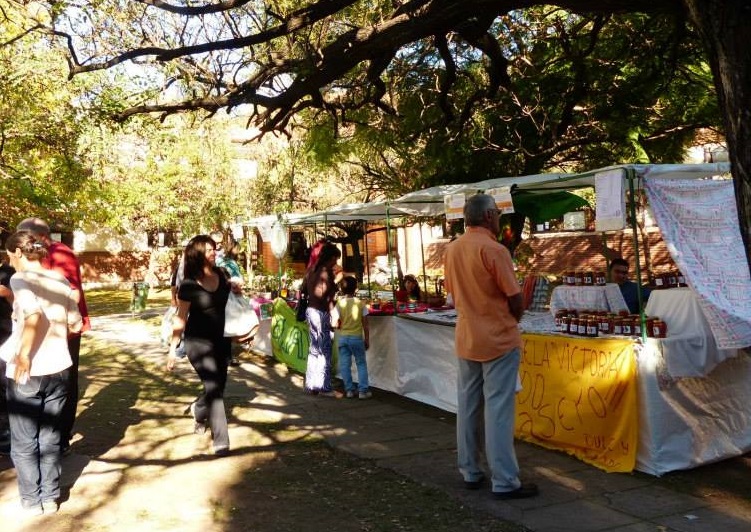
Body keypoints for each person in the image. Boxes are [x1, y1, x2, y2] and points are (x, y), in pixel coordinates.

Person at [443, 194, 538, 500]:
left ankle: (470, 470)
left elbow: (453, 294)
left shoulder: (453, 249)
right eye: (497, 214)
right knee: (498, 410)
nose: (499, 218)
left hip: (467, 336)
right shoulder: (494, 250)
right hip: (497, 337)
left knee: (468, 406)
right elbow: (514, 298)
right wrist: (514, 317)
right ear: (487, 217)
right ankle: (505, 480)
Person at [3, 231, 82, 515]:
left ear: (20, 253)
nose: (9, 261)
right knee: (50, 436)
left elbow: (34, 314)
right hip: (60, 368)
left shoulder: (19, 279)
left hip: (29, 369)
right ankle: (50, 497)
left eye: (10, 255)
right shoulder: (60, 279)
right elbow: (75, 323)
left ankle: (31, 499)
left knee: (24, 440)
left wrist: (23, 353)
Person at [16, 217, 90, 454]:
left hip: (62, 329)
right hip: (41, 327)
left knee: (63, 382)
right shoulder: (41, 254)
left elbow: (73, 295)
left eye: (24, 237)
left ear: (38, 236)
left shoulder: (60, 254)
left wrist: (66, 329)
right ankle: (44, 434)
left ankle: (60, 438)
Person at [166, 235, 232, 456]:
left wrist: (238, 291)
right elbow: (180, 318)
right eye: (209, 250)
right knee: (213, 385)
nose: (214, 252)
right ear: (197, 254)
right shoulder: (188, 285)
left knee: (219, 386)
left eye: (214, 249)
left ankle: (200, 410)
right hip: (197, 343)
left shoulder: (222, 276)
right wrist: (173, 349)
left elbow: (230, 300)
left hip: (221, 341)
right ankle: (221, 441)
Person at [304, 242, 342, 397]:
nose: (336, 262)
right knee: (324, 351)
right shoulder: (325, 272)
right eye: (336, 259)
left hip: (310, 310)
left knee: (314, 350)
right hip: (320, 312)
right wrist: (334, 312)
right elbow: (326, 296)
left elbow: (306, 290)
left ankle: (311, 384)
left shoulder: (312, 270)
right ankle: (324, 386)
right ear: (331, 257)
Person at [335, 276, 371, 399]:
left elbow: (334, 322)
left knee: (345, 365)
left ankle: (349, 390)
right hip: (356, 338)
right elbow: (365, 325)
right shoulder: (361, 304)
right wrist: (367, 339)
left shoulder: (339, 304)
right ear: (356, 288)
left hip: (343, 337)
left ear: (342, 289)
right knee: (361, 363)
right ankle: (363, 391)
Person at [0, 258, 15, 454]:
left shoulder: (9, 274)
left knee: (3, 384)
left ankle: (6, 433)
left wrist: (8, 294)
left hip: (5, 337)